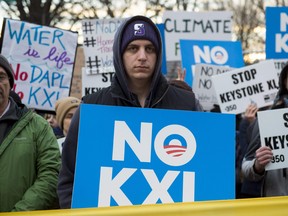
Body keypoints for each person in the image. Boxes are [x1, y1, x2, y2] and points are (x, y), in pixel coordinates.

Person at [57, 15, 203, 208]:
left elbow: (204, 171)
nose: (142, 56)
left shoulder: (187, 104)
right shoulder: (92, 108)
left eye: (149, 49)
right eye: (133, 48)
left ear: (158, 56)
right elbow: (69, 179)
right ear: (120, 53)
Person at [0, 54, 61, 212]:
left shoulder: (37, 126)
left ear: (10, 84)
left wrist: (20, 213)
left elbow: (51, 173)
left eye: (1, 77)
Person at [242, 63, 288, 197]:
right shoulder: (269, 118)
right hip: (278, 204)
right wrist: (258, 165)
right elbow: (246, 167)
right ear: (285, 82)